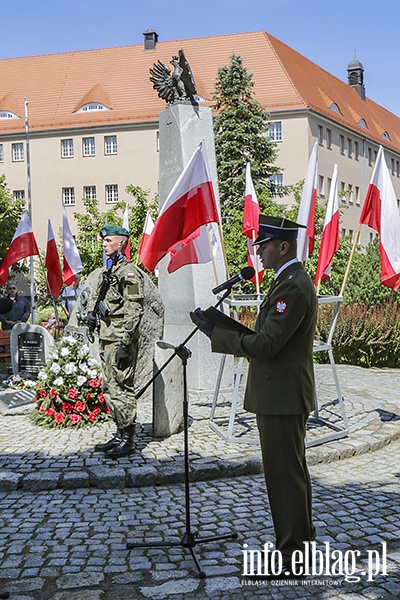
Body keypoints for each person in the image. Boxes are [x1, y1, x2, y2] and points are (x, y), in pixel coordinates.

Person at [190, 215, 318, 578]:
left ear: (283, 247)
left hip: (282, 395)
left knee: (284, 476)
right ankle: (301, 542)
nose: (257, 250)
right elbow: (269, 338)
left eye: (263, 244)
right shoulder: (288, 281)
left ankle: (293, 559)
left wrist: (220, 335)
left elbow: (266, 345)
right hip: (281, 393)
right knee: (291, 473)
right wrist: (222, 326)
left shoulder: (292, 286)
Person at [86, 225, 144, 459]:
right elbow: (99, 298)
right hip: (106, 335)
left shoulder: (128, 272)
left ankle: (128, 439)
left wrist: (125, 343)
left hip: (120, 337)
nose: (104, 243)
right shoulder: (107, 271)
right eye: (104, 240)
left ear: (121, 243)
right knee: (110, 387)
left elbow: (135, 309)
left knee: (122, 386)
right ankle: (119, 433)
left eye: (109, 240)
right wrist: (91, 314)